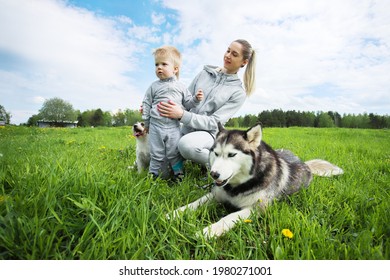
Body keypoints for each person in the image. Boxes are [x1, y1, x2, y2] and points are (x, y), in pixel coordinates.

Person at [157, 39, 256, 166]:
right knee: (159, 151)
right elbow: (184, 99)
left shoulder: (238, 93)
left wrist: (182, 115)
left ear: (244, 62)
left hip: (208, 134)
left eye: (234, 54)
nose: (228, 55)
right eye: (228, 50)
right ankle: (194, 159)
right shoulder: (204, 73)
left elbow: (214, 122)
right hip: (185, 129)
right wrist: (157, 107)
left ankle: (228, 165)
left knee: (186, 145)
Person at [142, 46, 203, 180]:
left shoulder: (181, 87)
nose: (159, 67)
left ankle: (178, 173)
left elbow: (188, 104)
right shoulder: (153, 86)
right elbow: (146, 103)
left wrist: (196, 100)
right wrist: (147, 122)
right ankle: (153, 174)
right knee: (156, 153)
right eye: (156, 64)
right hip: (156, 126)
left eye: (164, 64)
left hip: (173, 127)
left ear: (175, 69)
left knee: (174, 153)